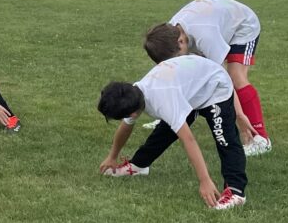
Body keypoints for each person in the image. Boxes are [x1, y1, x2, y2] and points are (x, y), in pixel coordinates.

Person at [97, 54, 248, 210]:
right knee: (166, 130)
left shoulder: (163, 101)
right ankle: (139, 166)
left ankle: (236, 191)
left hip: (214, 87)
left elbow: (188, 139)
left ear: (133, 113)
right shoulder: (135, 92)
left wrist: (204, 181)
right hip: (189, 90)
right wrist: (112, 156)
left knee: (224, 139)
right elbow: (126, 126)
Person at [144, 0, 270, 156]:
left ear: (181, 41)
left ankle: (261, 139)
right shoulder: (168, 33)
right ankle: (171, 117)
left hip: (243, 25)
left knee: (235, 76)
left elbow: (221, 78)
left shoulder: (206, 37)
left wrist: (239, 116)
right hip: (215, 20)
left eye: (178, 56)